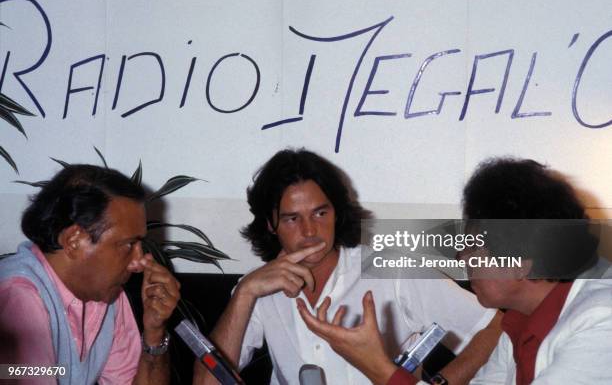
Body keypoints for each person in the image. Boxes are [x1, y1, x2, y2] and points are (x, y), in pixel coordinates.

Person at [195, 149, 501, 385]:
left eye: (320, 213)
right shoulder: (258, 288)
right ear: (270, 225)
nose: (310, 230)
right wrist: (245, 292)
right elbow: (206, 383)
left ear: (337, 214)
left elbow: (493, 326)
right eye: (292, 218)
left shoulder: (389, 267)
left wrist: (439, 383)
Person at [297, 157, 612, 384]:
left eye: (475, 245)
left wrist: (379, 369)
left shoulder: (601, 319)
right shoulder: (517, 324)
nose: (462, 255)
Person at [0, 164, 181, 385]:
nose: (139, 262)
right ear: (74, 241)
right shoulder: (17, 296)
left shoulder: (104, 295)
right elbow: (18, 373)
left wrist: (154, 333)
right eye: (128, 244)